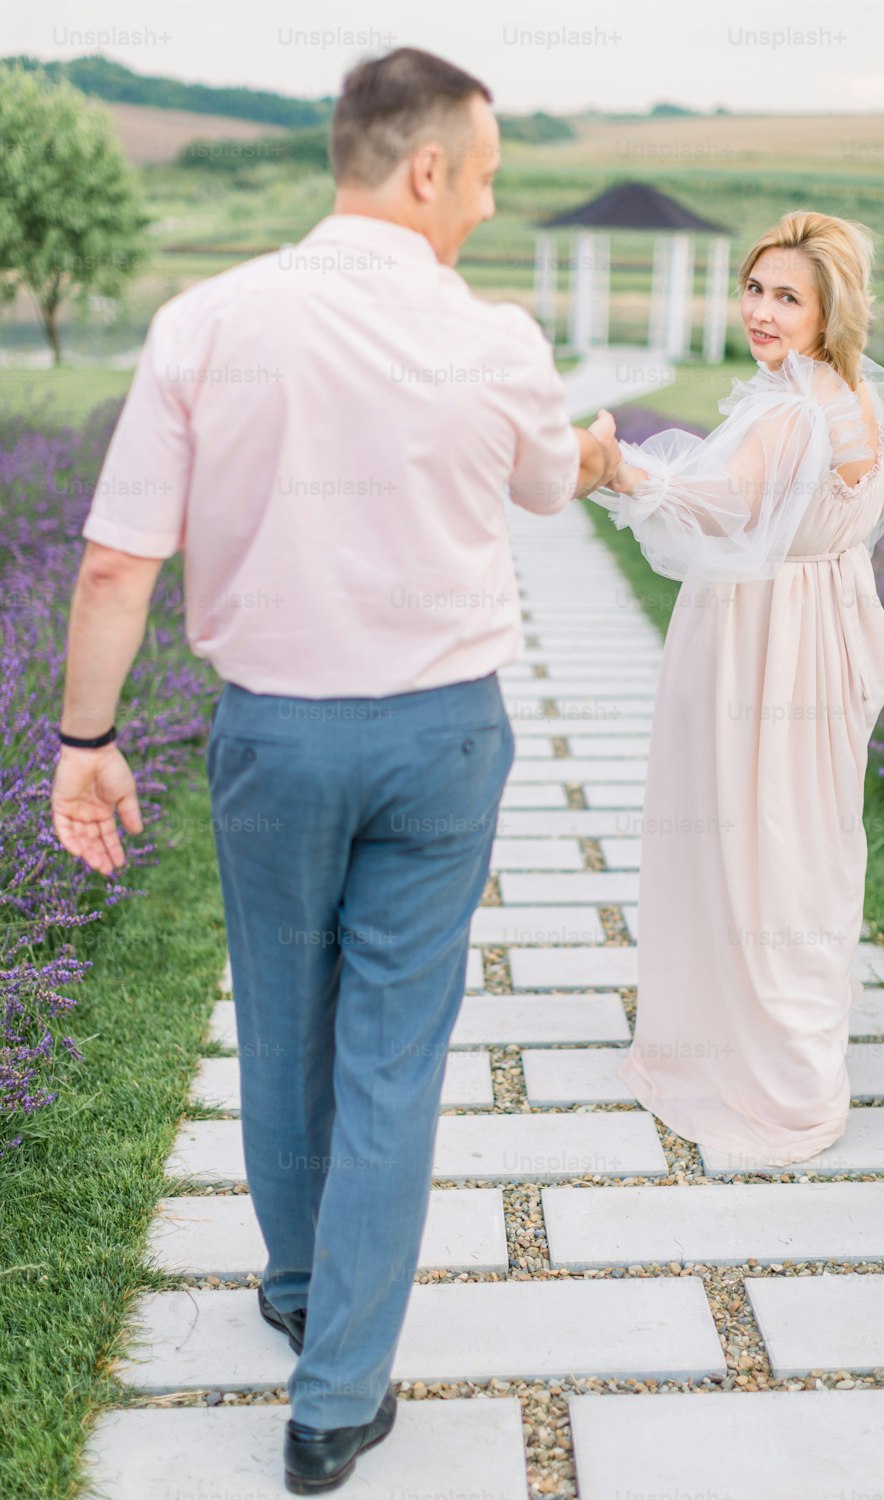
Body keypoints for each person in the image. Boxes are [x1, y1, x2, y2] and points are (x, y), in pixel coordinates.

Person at [50, 47, 620, 1495]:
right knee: (392, 1055)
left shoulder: (206, 320)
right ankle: (334, 1397)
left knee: (283, 1014)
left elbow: (120, 558)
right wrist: (602, 448)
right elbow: (553, 482)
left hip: (276, 737)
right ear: (426, 167)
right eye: (484, 177)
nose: (488, 208)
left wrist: (86, 743)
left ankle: (302, 1286)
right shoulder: (496, 336)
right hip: (442, 741)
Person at [590, 210, 884, 1172]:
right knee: (802, 841)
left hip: (763, 641)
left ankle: (780, 1086)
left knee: (753, 841)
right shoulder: (854, 398)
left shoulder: (790, 410)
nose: (762, 312)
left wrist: (615, 468)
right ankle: (784, 1052)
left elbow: (722, 504)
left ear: (829, 309)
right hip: (828, 630)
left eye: (787, 297)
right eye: (754, 289)